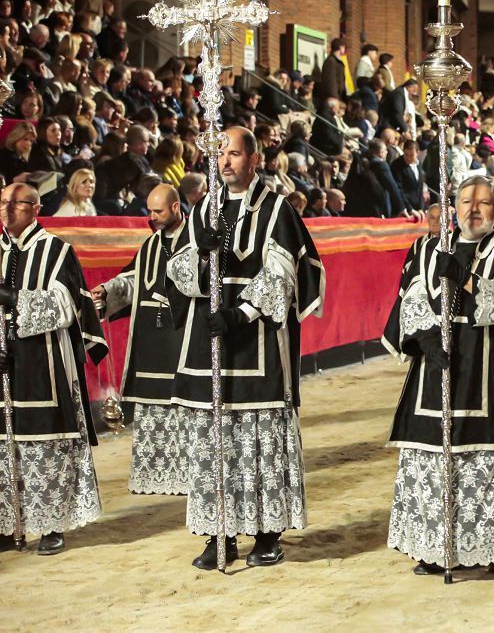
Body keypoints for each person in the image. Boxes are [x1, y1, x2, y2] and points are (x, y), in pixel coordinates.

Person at [165, 127, 325, 569]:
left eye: (235, 154)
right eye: (221, 155)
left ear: (255, 160)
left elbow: (282, 273)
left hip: (256, 344)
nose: (227, 162)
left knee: (260, 444)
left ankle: (267, 533)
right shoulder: (202, 210)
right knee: (213, 444)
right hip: (207, 345)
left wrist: (240, 312)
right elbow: (175, 268)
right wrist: (201, 253)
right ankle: (220, 533)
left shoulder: (275, 210)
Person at [381, 175, 494, 580]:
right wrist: (424, 337)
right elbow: (411, 299)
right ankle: (433, 548)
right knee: (433, 463)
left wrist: (463, 276)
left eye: (484, 203)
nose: (473, 210)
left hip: (492, 371)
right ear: (453, 206)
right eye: (465, 201)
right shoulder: (426, 248)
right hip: (435, 373)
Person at [0, 183, 108, 555]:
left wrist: (13, 299)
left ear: (34, 208)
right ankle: (7, 522)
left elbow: (64, 306)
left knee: (47, 444)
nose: (6, 210)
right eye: (2, 203)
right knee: (4, 445)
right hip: (4, 366)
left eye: (14, 204)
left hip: (44, 362)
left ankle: (51, 524)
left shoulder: (57, 250)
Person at [90, 184, 189, 495]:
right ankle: (156, 475)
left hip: (183, 338)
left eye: (158, 211)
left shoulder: (197, 241)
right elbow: (136, 280)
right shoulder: (151, 245)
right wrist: (107, 290)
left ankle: (190, 475)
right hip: (152, 342)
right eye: (149, 211)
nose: (152, 217)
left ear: (175, 208)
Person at [390, 139, 425, 212]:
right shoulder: (396, 165)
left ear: (417, 153)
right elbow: (399, 189)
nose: (408, 158)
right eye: (406, 154)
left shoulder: (419, 164)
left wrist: (421, 208)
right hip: (404, 209)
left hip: (417, 208)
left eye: (412, 155)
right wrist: (410, 209)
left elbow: (420, 188)